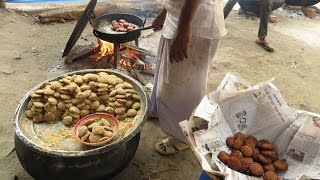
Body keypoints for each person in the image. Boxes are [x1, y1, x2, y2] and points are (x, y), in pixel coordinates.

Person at [150, 0, 225, 154]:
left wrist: (184, 29)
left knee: (185, 86)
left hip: (196, 24)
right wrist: (166, 12)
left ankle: (183, 137)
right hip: (180, 18)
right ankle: (166, 115)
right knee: (171, 80)